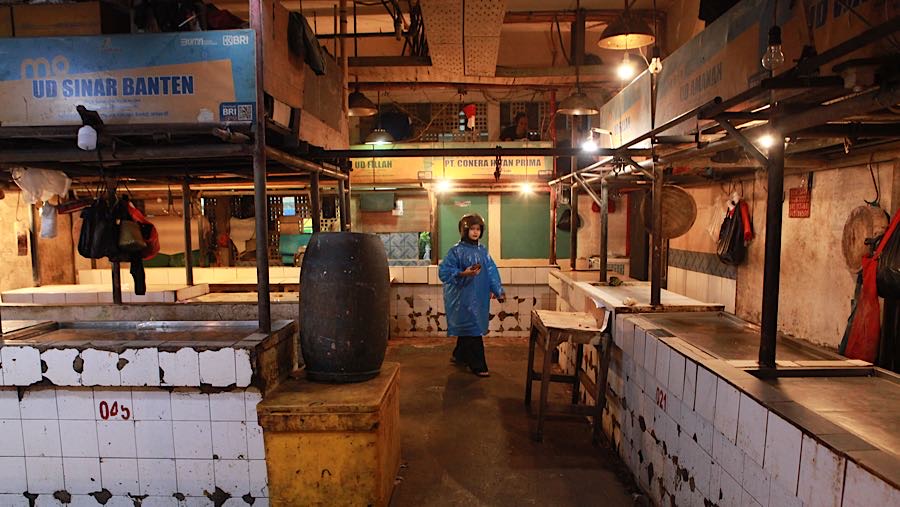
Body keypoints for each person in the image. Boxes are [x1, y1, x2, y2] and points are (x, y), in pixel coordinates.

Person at [439, 213, 505, 377]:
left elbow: (491, 271)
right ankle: (478, 365)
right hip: (461, 298)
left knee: (469, 328)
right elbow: (444, 272)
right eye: (472, 229)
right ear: (464, 230)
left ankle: (459, 354)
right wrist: (463, 273)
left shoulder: (483, 251)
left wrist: (498, 290)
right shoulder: (455, 251)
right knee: (473, 330)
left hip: (479, 297)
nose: (475, 232)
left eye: (478, 229)